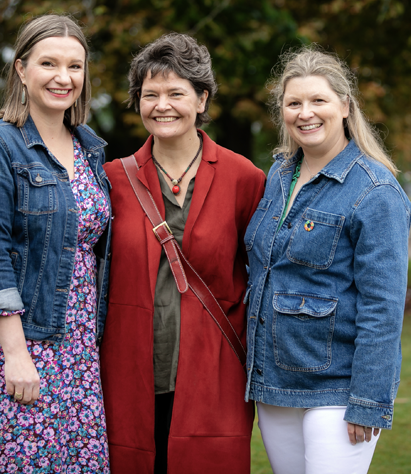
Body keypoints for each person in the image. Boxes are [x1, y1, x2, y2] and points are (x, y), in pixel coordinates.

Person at [0, 15, 112, 473]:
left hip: (75, 342)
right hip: (11, 340)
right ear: (21, 69)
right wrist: (16, 354)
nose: (64, 77)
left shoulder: (89, 148)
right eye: (49, 63)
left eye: (75, 66)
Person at [100, 33, 266, 474]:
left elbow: (269, 273)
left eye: (176, 93)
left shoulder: (243, 178)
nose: (162, 105)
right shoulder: (111, 181)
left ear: (201, 98)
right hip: (129, 369)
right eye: (149, 94)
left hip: (214, 371)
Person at [243, 45, 411, 474]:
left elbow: (383, 307)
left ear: (345, 106)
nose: (306, 113)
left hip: (338, 389)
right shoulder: (278, 176)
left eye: (318, 100)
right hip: (275, 384)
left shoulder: (376, 192)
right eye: (293, 103)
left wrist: (369, 400)